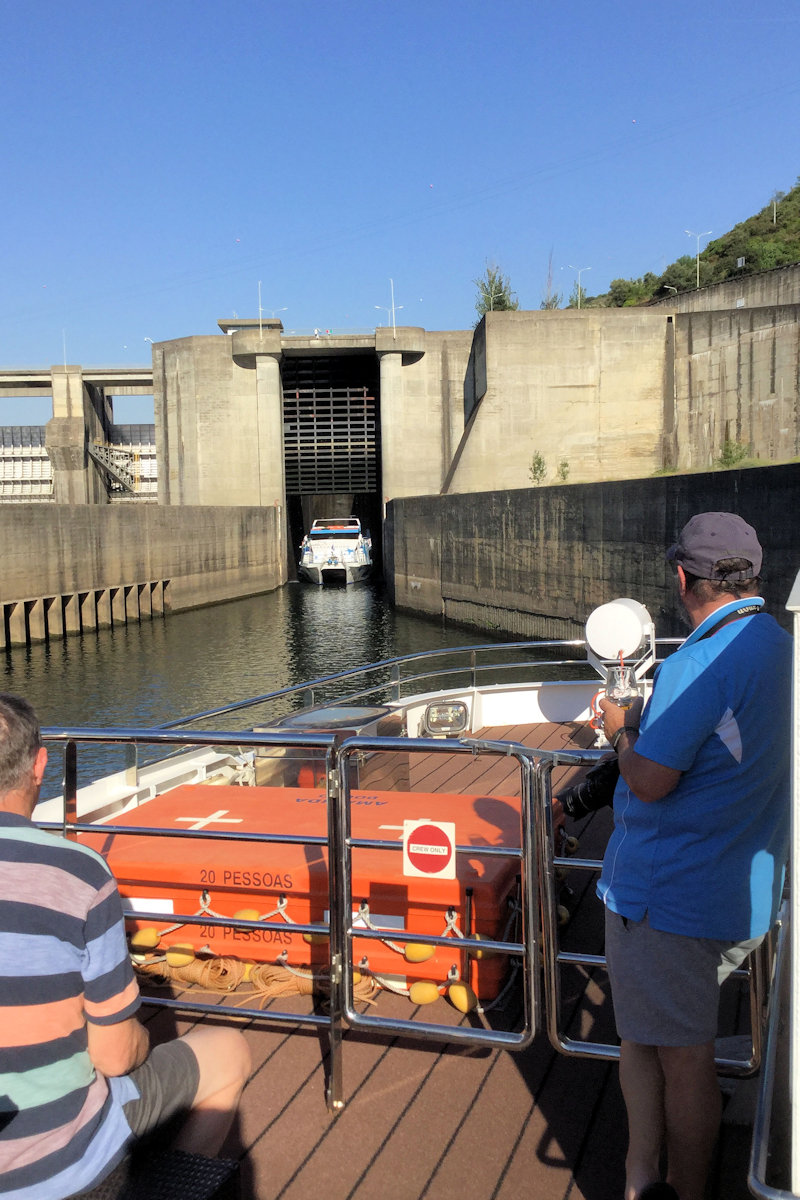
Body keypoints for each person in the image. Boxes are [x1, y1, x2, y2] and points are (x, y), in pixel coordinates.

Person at [596, 512, 791, 1200]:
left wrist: (622, 731)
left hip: (669, 899)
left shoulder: (696, 664)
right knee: (656, 1040)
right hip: (746, 888)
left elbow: (649, 779)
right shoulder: (777, 645)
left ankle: (680, 1188)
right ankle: (641, 1175)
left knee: (681, 1059)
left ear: (683, 578)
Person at [0, 694, 252, 1200]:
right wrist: (136, 1038)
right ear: (40, 765)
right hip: (58, 1174)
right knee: (229, 1052)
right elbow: (115, 1057)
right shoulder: (79, 874)